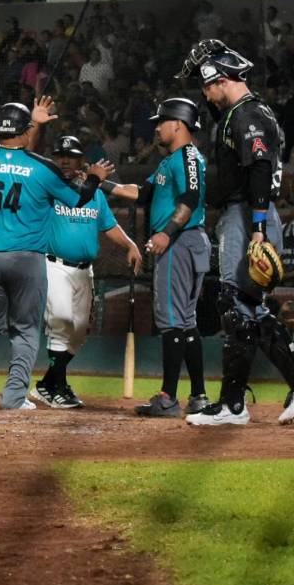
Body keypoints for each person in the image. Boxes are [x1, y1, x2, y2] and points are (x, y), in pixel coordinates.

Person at [172, 39, 294, 427]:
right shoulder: (239, 114)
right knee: (244, 307)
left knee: (235, 304)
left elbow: (259, 169)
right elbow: (218, 106)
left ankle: (233, 404)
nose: (204, 93)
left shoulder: (248, 115)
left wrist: (257, 229)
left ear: (219, 79)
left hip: (248, 214)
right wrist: (203, 66)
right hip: (242, 213)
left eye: (206, 84)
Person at [0, 99, 113, 410]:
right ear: (25, 131)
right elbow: (79, 198)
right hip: (25, 257)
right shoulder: (41, 167)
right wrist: (96, 178)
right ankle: (13, 396)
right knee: (25, 328)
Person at [109, 98, 212, 417]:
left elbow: (191, 199)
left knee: (170, 321)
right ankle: (199, 395)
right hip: (186, 242)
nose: (156, 128)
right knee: (185, 321)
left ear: (178, 124)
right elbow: (144, 193)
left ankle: (168, 399)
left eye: (161, 121)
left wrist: (167, 232)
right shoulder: (171, 162)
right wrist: (104, 184)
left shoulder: (188, 156)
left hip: (180, 241)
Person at [32, 135, 142, 410]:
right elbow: (29, 160)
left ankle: (48, 384)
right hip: (54, 265)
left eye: (71, 155)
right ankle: (57, 387)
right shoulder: (48, 187)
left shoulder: (95, 195)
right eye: (60, 155)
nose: (65, 160)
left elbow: (108, 225)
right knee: (62, 321)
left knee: (79, 333)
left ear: (83, 160)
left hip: (84, 272)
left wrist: (130, 244)